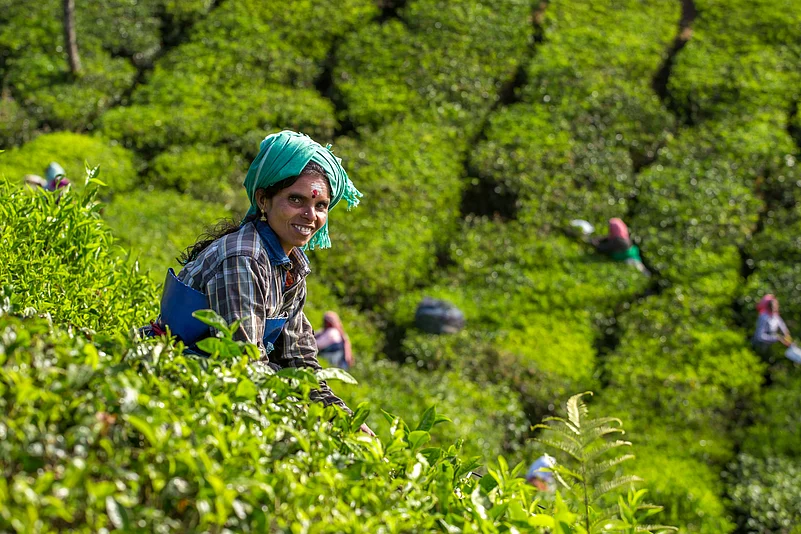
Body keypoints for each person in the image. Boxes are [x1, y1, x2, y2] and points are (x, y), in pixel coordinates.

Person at [149, 130, 373, 435]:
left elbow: (300, 361)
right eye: (296, 200)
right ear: (263, 200)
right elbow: (244, 361)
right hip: (171, 381)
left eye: (320, 205)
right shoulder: (244, 258)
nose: (310, 215)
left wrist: (346, 422)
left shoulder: (291, 268)